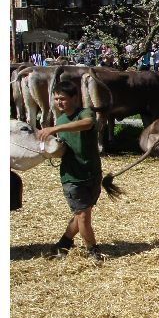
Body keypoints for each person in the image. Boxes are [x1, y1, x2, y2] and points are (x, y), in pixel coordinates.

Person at [36, 79, 105, 264]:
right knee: (83, 215)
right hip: (71, 176)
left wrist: (56, 128)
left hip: (92, 173)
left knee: (82, 213)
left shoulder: (85, 113)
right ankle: (93, 251)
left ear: (75, 98)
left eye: (63, 98)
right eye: (56, 99)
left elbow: (87, 123)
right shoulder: (60, 119)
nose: (59, 102)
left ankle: (63, 244)